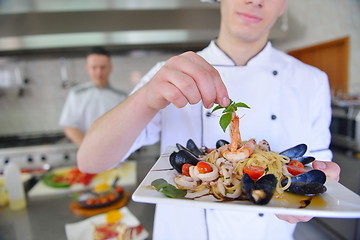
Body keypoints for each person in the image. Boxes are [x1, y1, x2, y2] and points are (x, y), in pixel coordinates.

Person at [77, 0, 341, 239]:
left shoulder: (311, 81)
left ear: (283, 5)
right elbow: (90, 161)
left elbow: (318, 173)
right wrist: (146, 97)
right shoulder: (169, 75)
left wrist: (317, 192)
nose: (255, 1)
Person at [59, 46, 127, 146]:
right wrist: (88, 149)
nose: (99, 72)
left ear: (110, 68)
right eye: (94, 67)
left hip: (115, 152)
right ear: (87, 68)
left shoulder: (121, 97)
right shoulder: (76, 94)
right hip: (85, 152)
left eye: (102, 67)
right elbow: (69, 126)